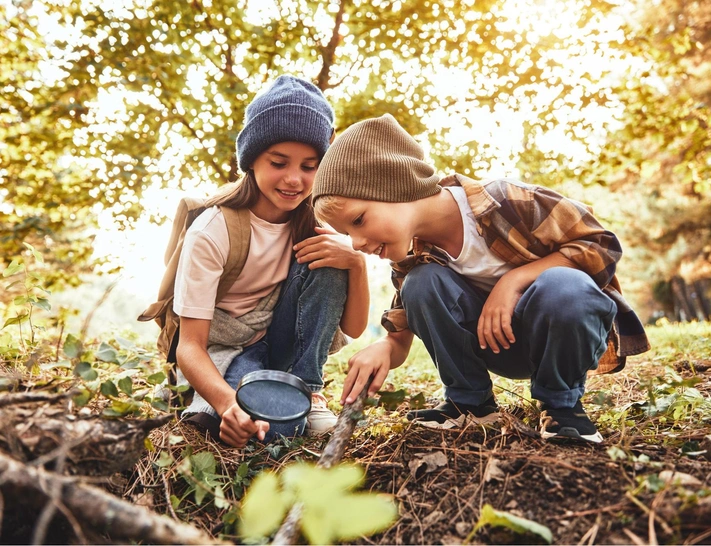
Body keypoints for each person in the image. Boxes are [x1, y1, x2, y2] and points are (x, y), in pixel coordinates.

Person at [311, 114, 650, 443]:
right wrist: (384, 349)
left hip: (559, 335)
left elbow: (600, 245)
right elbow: (401, 338)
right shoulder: (411, 259)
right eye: (345, 232)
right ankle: (470, 404)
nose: (355, 243)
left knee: (566, 286)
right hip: (496, 348)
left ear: (396, 187)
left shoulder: (509, 201)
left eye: (358, 220)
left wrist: (513, 281)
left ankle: (562, 408)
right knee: (422, 282)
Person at [174, 76, 369, 447]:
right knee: (264, 432)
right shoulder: (213, 231)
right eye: (279, 162)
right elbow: (190, 345)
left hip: (281, 339)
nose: (294, 179)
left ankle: (307, 389)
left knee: (330, 257)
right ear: (252, 160)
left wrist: (355, 262)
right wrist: (227, 404)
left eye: (310, 167)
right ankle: (239, 394)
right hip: (227, 348)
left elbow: (355, 328)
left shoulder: (315, 225)